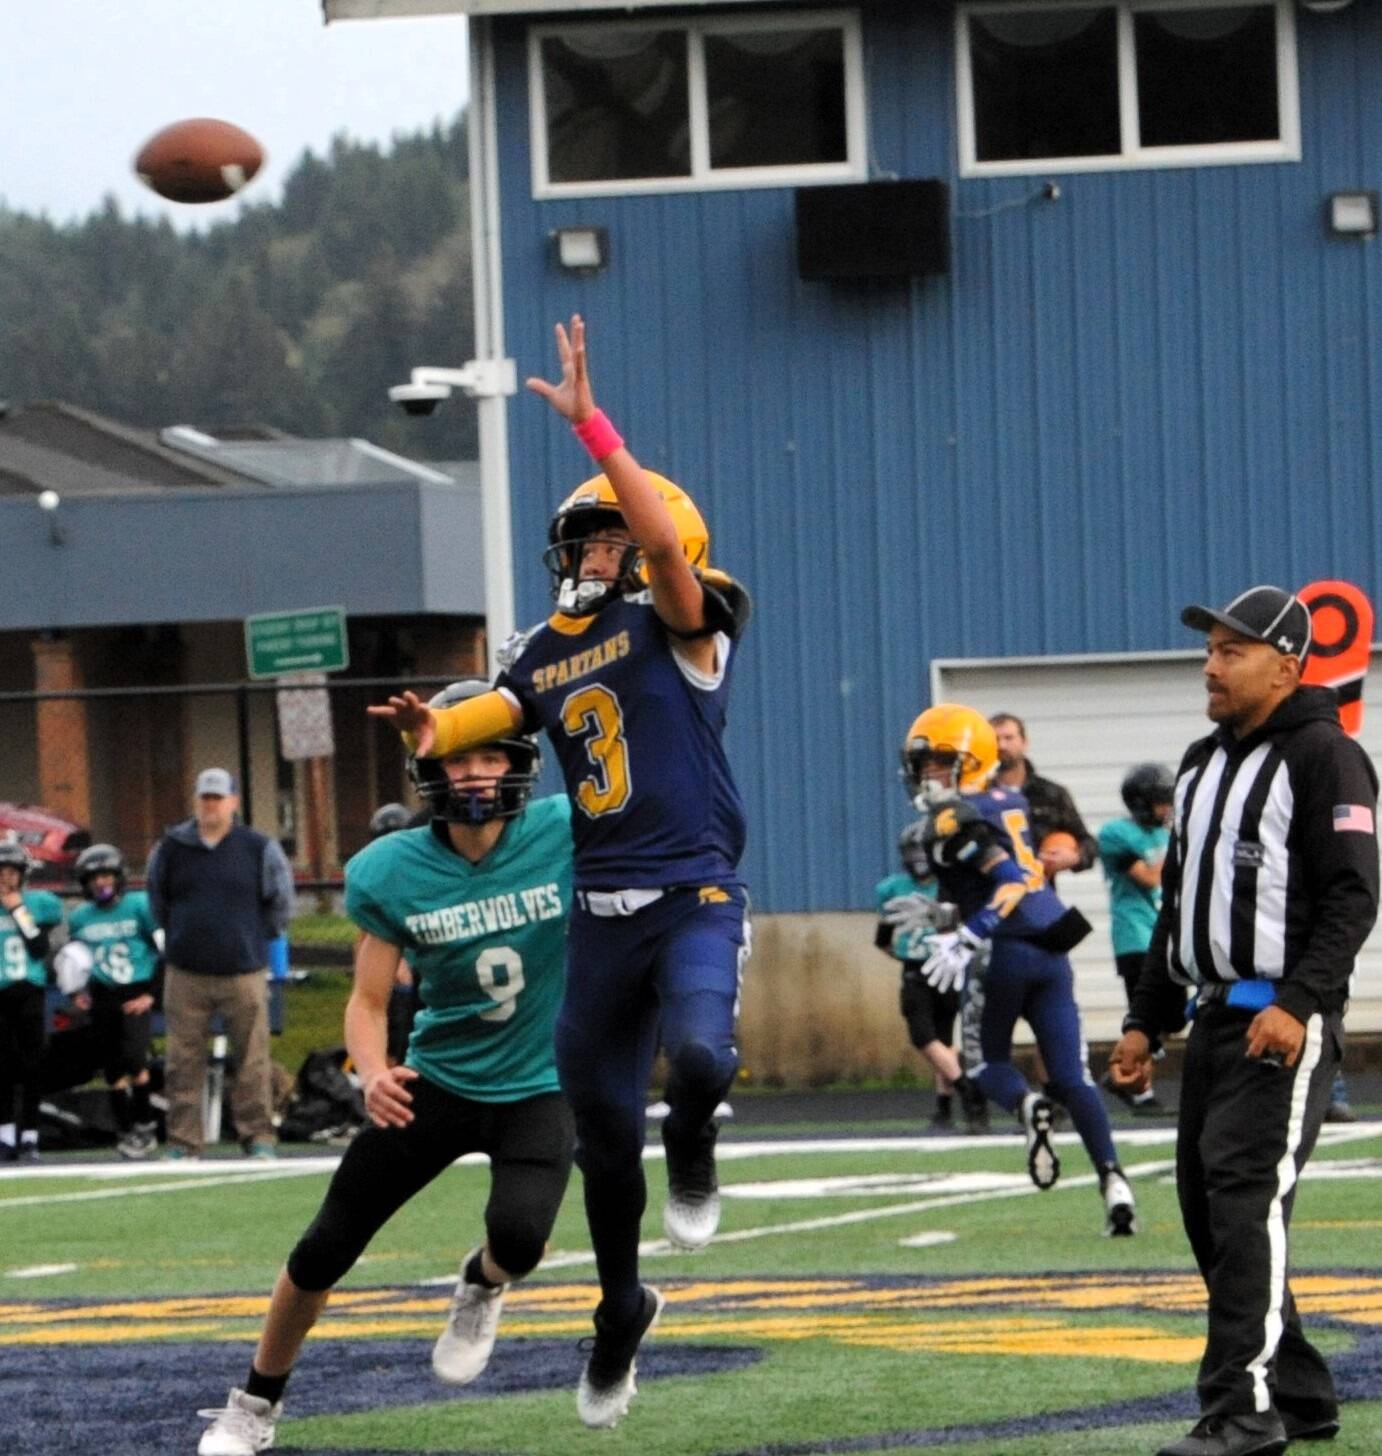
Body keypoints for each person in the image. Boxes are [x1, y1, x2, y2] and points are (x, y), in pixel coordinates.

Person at [371, 314, 752, 1429]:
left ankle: (696, 1144)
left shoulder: (681, 619)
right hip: (599, 911)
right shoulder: (540, 649)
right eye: (579, 544)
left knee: (698, 1056)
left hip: (690, 887)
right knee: (598, 1148)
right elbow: (480, 720)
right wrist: (423, 735)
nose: (586, 557)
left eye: (601, 540)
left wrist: (591, 424)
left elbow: (669, 552)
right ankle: (621, 1308)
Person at [197, 703, 575, 1456]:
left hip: (539, 1080)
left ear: (518, 765)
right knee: (325, 1246)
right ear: (430, 770)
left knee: (523, 1239)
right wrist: (370, 1073)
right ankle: (253, 1403)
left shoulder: (565, 830)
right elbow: (368, 1002)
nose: (473, 773)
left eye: (490, 757)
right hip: (437, 1078)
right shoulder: (392, 869)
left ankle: (483, 1280)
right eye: (458, 759)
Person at [1109, 586, 1379, 1456]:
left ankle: (1243, 1410)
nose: (1210, 665)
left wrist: (1300, 1002)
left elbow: (1354, 895)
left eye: (1232, 651)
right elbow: (1178, 909)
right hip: (1214, 1022)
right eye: (1211, 650)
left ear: (1287, 666)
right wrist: (1146, 1022)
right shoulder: (1198, 761)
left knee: (1243, 1203)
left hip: (1280, 1023)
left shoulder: (1326, 757)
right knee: (1209, 1210)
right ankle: (1298, 1391)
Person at [886, 703, 1137, 1236]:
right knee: (1072, 1075)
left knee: (982, 1063)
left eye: (937, 762)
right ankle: (1114, 1179)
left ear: (970, 762)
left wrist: (969, 935)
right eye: (923, 763)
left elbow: (1005, 884)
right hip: (1051, 947)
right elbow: (991, 881)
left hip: (1002, 950)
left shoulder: (954, 818)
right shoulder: (1012, 799)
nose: (926, 773)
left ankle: (1027, 1107)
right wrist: (940, 914)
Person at [146, 769, 294, 1160]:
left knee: (252, 1059)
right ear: (196, 801)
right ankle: (183, 1141)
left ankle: (258, 1136)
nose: (210, 805)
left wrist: (254, 938)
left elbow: (280, 903)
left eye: (217, 798)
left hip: (243, 970)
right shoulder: (170, 848)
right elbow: (157, 901)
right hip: (185, 972)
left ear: (234, 802)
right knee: (182, 1059)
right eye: (205, 798)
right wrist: (181, 936)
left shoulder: (258, 848)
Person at [875, 822, 987, 1132]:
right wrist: (909, 958)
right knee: (932, 1038)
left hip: (946, 968)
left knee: (932, 1037)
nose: (918, 858)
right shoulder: (893, 888)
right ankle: (950, 1104)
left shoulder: (948, 884)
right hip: (920, 969)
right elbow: (883, 938)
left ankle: (960, 1095)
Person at [65, 843, 163, 1159]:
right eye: (94, 878)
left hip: (136, 991)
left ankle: (145, 1126)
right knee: (112, 1068)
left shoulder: (139, 906)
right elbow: (77, 961)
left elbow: (165, 951)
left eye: (106, 875)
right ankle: (125, 1130)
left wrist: (152, 994)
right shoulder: (81, 917)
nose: (100, 883)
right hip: (103, 995)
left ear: (118, 876)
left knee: (135, 1059)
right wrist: (77, 992)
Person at [1097, 763, 1175, 1116]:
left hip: (1165, 935)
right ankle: (1137, 1088)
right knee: (1145, 1016)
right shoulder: (1116, 833)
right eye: (1161, 801)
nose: (1167, 808)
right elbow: (1150, 877)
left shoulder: (1165, 833)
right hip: (1135, 936)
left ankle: (1121, 1073)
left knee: (1173, 1020)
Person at [0, 843, 63, 1163]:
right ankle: (6, 1135)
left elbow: (38, 948)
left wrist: (16, 909)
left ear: (22, 876)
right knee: (3, 1066)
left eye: (11, 872)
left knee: (31, 1065)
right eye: (1, 872)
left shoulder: (37, 904)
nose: (5, 879)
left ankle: (30, 1135)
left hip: (28, 991)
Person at [990, 712, 1098, 883]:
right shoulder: (977, 795)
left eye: (1009, 738)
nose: (1001, 745)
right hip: (992, 893)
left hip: (1041, 892)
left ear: (1024, 743)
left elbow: (1087, 841)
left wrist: (1074, 857)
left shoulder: (1050, 794)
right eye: (995, 739)